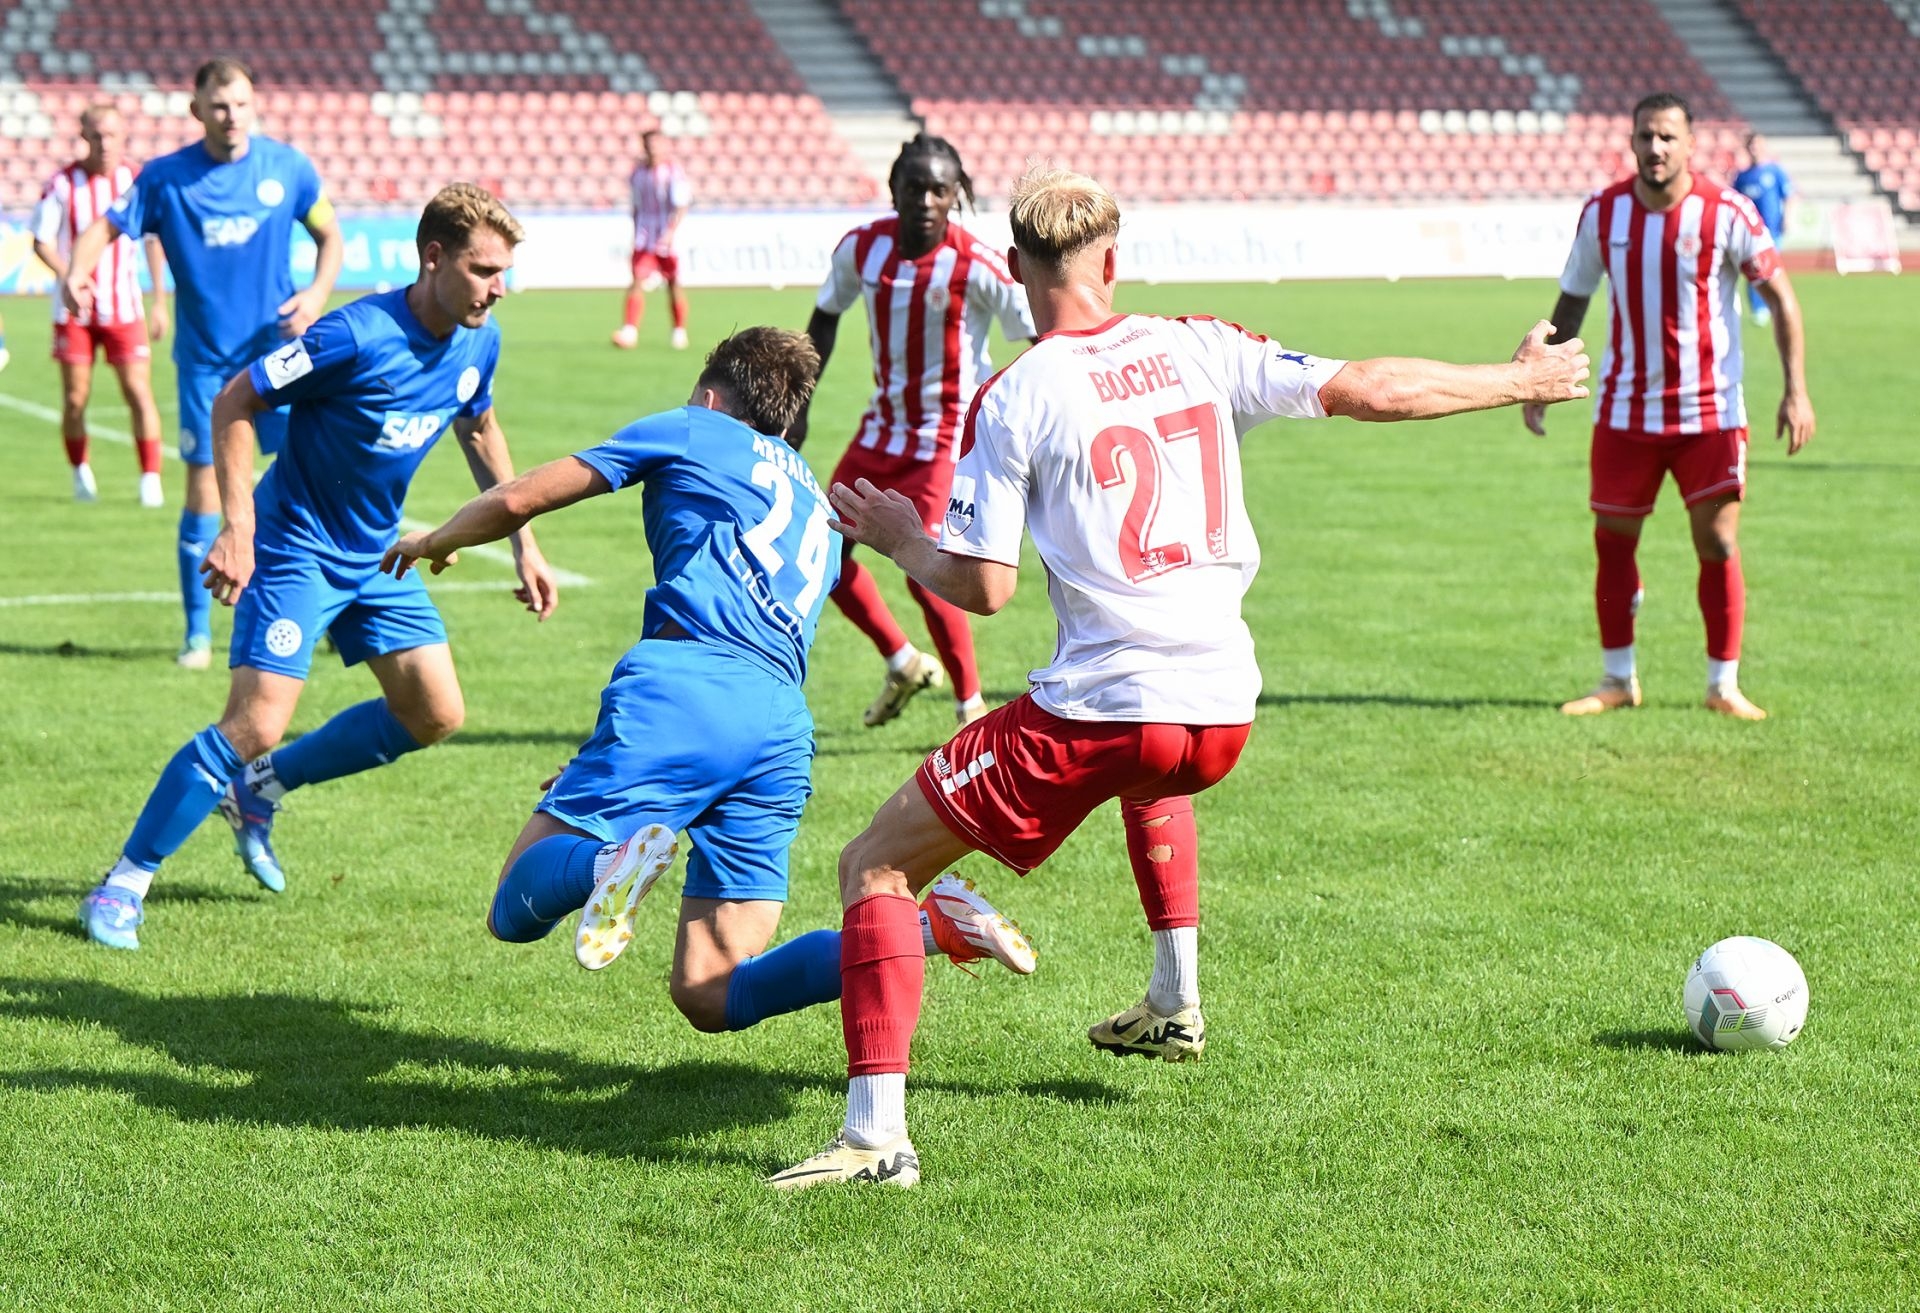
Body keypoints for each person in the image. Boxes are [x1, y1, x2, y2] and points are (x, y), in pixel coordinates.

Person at [767, 164, 1592, 1190]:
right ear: (1112, 261)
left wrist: (902, 538)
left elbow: (983, 586)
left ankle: (874, 1135)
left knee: (876, 865)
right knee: (1151, 768)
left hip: (1103, 712)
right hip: (1223, 709)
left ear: (1016, 268)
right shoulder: (1202, 343)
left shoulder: (1015, 393)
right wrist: (1517, 380)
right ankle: (1173, 998)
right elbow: (1372, 387)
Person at [380, 327, 1033, 1035]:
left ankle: (610, 861)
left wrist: (435, 538)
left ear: (712, 396)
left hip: (687, 688)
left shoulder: (695, 427)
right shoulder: (813, 496)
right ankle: (935, 927)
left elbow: (518, 500)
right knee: (712, 991)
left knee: (514, 903)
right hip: (778, 729)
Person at [77, 184, 558, 952]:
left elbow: (479, 426)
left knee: (434, 712)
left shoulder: (480, 340)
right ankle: (123, 882)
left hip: (377, 550)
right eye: (484, 269)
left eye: (504, 271)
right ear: (433, 258)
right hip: (294, 545)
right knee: (255, 722)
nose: (499, 287)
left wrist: (523, 541)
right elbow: (236, 401)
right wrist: (239, 526)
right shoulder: (353, 336)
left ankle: (260, 789)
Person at [1527, 93, 1815, 722]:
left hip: (1709, 414)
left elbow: (1782, 299)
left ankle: (1723, 684)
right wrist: (1534, 379)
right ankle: (1617, 678)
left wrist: (1795, 389)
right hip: (1625, 413)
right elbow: (1572, 299)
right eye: (1645, 136)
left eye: (1667, 137)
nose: (1655, 148)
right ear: (1632, 142)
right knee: (1613, 542)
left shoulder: (1728, 212)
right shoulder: (1603, 213)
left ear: (1690, 144)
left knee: (1717, 542)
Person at [61, 57, 345, 669]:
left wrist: (317, 294)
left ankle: (325, 611)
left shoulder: (288, 168)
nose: (232, 116)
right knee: (203, 489)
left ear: (254, 105)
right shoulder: (166, 178)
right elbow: (102, 231)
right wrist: (75, 273)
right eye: (219, 106)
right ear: (197, 111)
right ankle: (197, 633)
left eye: (241, 104)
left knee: (306, 482)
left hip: (279, 360)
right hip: (206, 365)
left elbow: (330, 235)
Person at [792, 134, 1035, 730]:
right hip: (880, 431)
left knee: (926, 566)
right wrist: (799, 402)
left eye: (938, 189)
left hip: (944, 439)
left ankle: (970, 707)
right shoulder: (862, 248)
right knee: (824, 552)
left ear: (955, 195)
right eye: (914, 187)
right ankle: (902, 661)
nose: (925, 200)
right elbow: (824, 318)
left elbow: (1040, 340)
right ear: (893, 188)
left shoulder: (976, 264)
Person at [31, 103, 170, 506]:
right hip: (73, 311)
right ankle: (80, 473)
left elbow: (153, 240)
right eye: (96, 136)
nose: (104, 143)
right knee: (76, 398)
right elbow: (41, 240)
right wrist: (69, 275)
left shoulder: (136, 181)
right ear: (84, 137)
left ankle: (150, 480)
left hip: (124, 306)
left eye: (111, 135)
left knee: (138, 392)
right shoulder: (63, 184)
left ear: (123, 136)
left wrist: (160, 301)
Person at [611, 130, 690, 351]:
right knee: (637, 278)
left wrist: (671, 232)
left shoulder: (673, 172)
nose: (653, 148)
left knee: (673, 283)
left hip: (666, 233)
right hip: (644, 235)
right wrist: (634, 231)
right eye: (649, 144)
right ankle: (630, 330)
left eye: (657, 143)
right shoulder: (638, 173)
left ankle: (679, 330)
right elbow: (636, 205)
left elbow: (681, 205)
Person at [1732, 133, 1793, 327]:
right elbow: (1734, 202)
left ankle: (1771, 305)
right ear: (1747, 149)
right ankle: (1758, 309)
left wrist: (1787, 217)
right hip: (1750, 233)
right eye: (1751, 146)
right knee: (1754, 269)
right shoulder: (1742, 177)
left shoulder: (1775, 171)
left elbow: (1788, 195)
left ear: (1763, 147)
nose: (1755, 149)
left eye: (1758, 145)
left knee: (1771, 269)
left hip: (1772, 230)